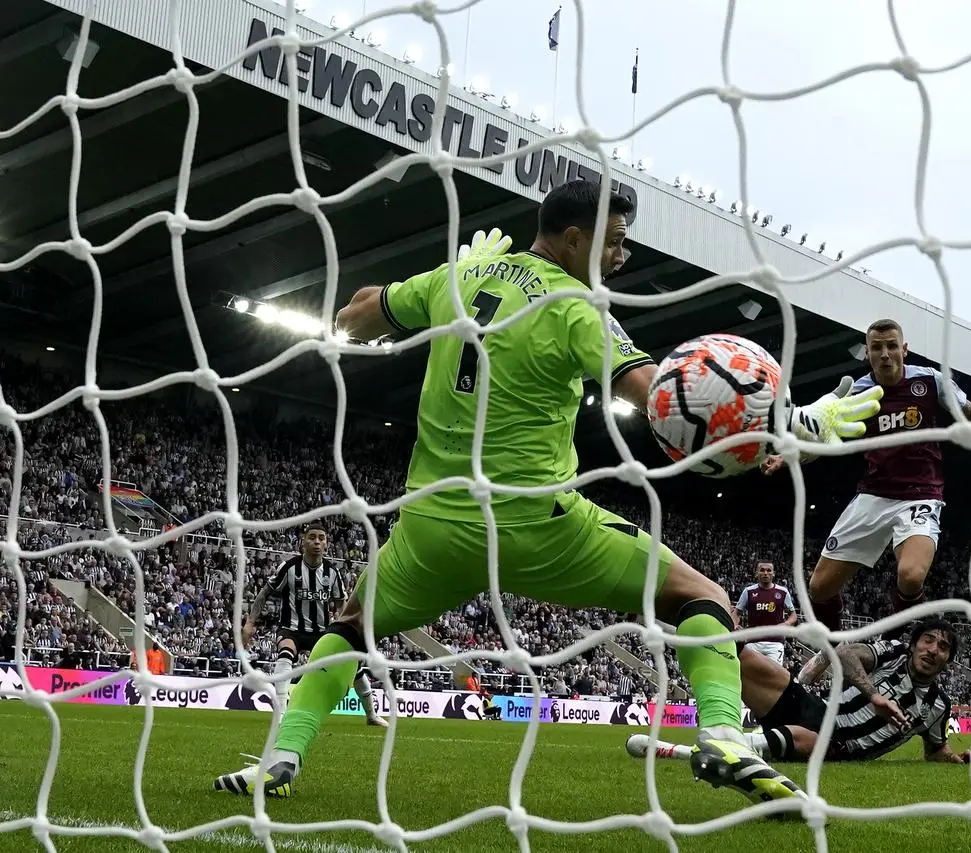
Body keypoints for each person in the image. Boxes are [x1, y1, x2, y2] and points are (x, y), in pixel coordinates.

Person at [213, 180, 879, 810]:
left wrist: (446, 282)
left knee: (350, 628)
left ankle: (281, 758)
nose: (621, 255)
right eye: (614, 241)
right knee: (700, 596)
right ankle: (723, 734)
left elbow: (354, 316)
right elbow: (663, 400)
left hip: (434, 526)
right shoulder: (574, 305)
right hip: (538, 524)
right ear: (569, 237)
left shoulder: (460, 278)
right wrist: (787, 425)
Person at [763, 319, 971, 684]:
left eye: (892, 346)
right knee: (819, 588)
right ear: (868, 353)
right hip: (873, 495)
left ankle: (895, 641)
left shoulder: (930, 382)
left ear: (904, 350)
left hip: (921, 495)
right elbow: (821, 437)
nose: (885, 353)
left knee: (911, 574)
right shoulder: (858, 391)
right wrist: (786, 457)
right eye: (877, 347)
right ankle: (836, 651)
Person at [626, 619, 971, 765]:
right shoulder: (895, 652)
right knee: (744, 658)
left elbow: (935, 749)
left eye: (943, 647)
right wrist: (874, 695)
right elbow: (844, 653)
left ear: (948, 662)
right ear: (914, 645)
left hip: (841, 747)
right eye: (928, 640)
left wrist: (958, 760)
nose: (933, 649)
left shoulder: (938, 706)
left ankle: (686, 750)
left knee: (807, 739)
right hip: (819, 710)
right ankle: (679, 625)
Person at [239, 524, 386, 727]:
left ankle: (371, 714)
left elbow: (341, 603)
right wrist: (249, 624)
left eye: (321, 538)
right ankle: (281, 712)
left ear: (326, 544)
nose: (317, 542)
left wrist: (345, 627)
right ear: (303, 542)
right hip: (292, 629)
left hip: (323, 632)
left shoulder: (332, 573)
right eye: (312, 538)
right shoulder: (289, 568)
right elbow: (264, 593)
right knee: (285, 652)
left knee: (354, 665)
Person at [730, 562, 796, 666]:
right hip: (752, 642)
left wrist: (787, 623)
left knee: (774, 676)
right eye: (762, 570)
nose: (765, 573)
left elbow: (793, 615)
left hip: (775, 642)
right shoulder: (748, 592)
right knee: (752, 675)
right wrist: (734, 624)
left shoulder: (783, 592)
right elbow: (736, 612)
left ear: (773, 573)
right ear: (757, 573)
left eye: (769, 570)